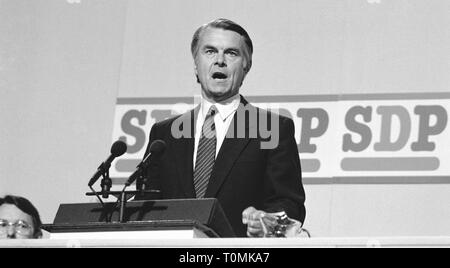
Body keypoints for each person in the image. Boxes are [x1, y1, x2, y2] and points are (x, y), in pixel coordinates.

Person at [138, 18, 306, 237]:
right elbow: (146, 203)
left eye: (231, 53)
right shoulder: (164, 134)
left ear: (246, 66)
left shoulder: (273, 128)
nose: (219, 61)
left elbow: (289, 203)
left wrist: (267, 221)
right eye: (209, 51)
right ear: (196, 64)